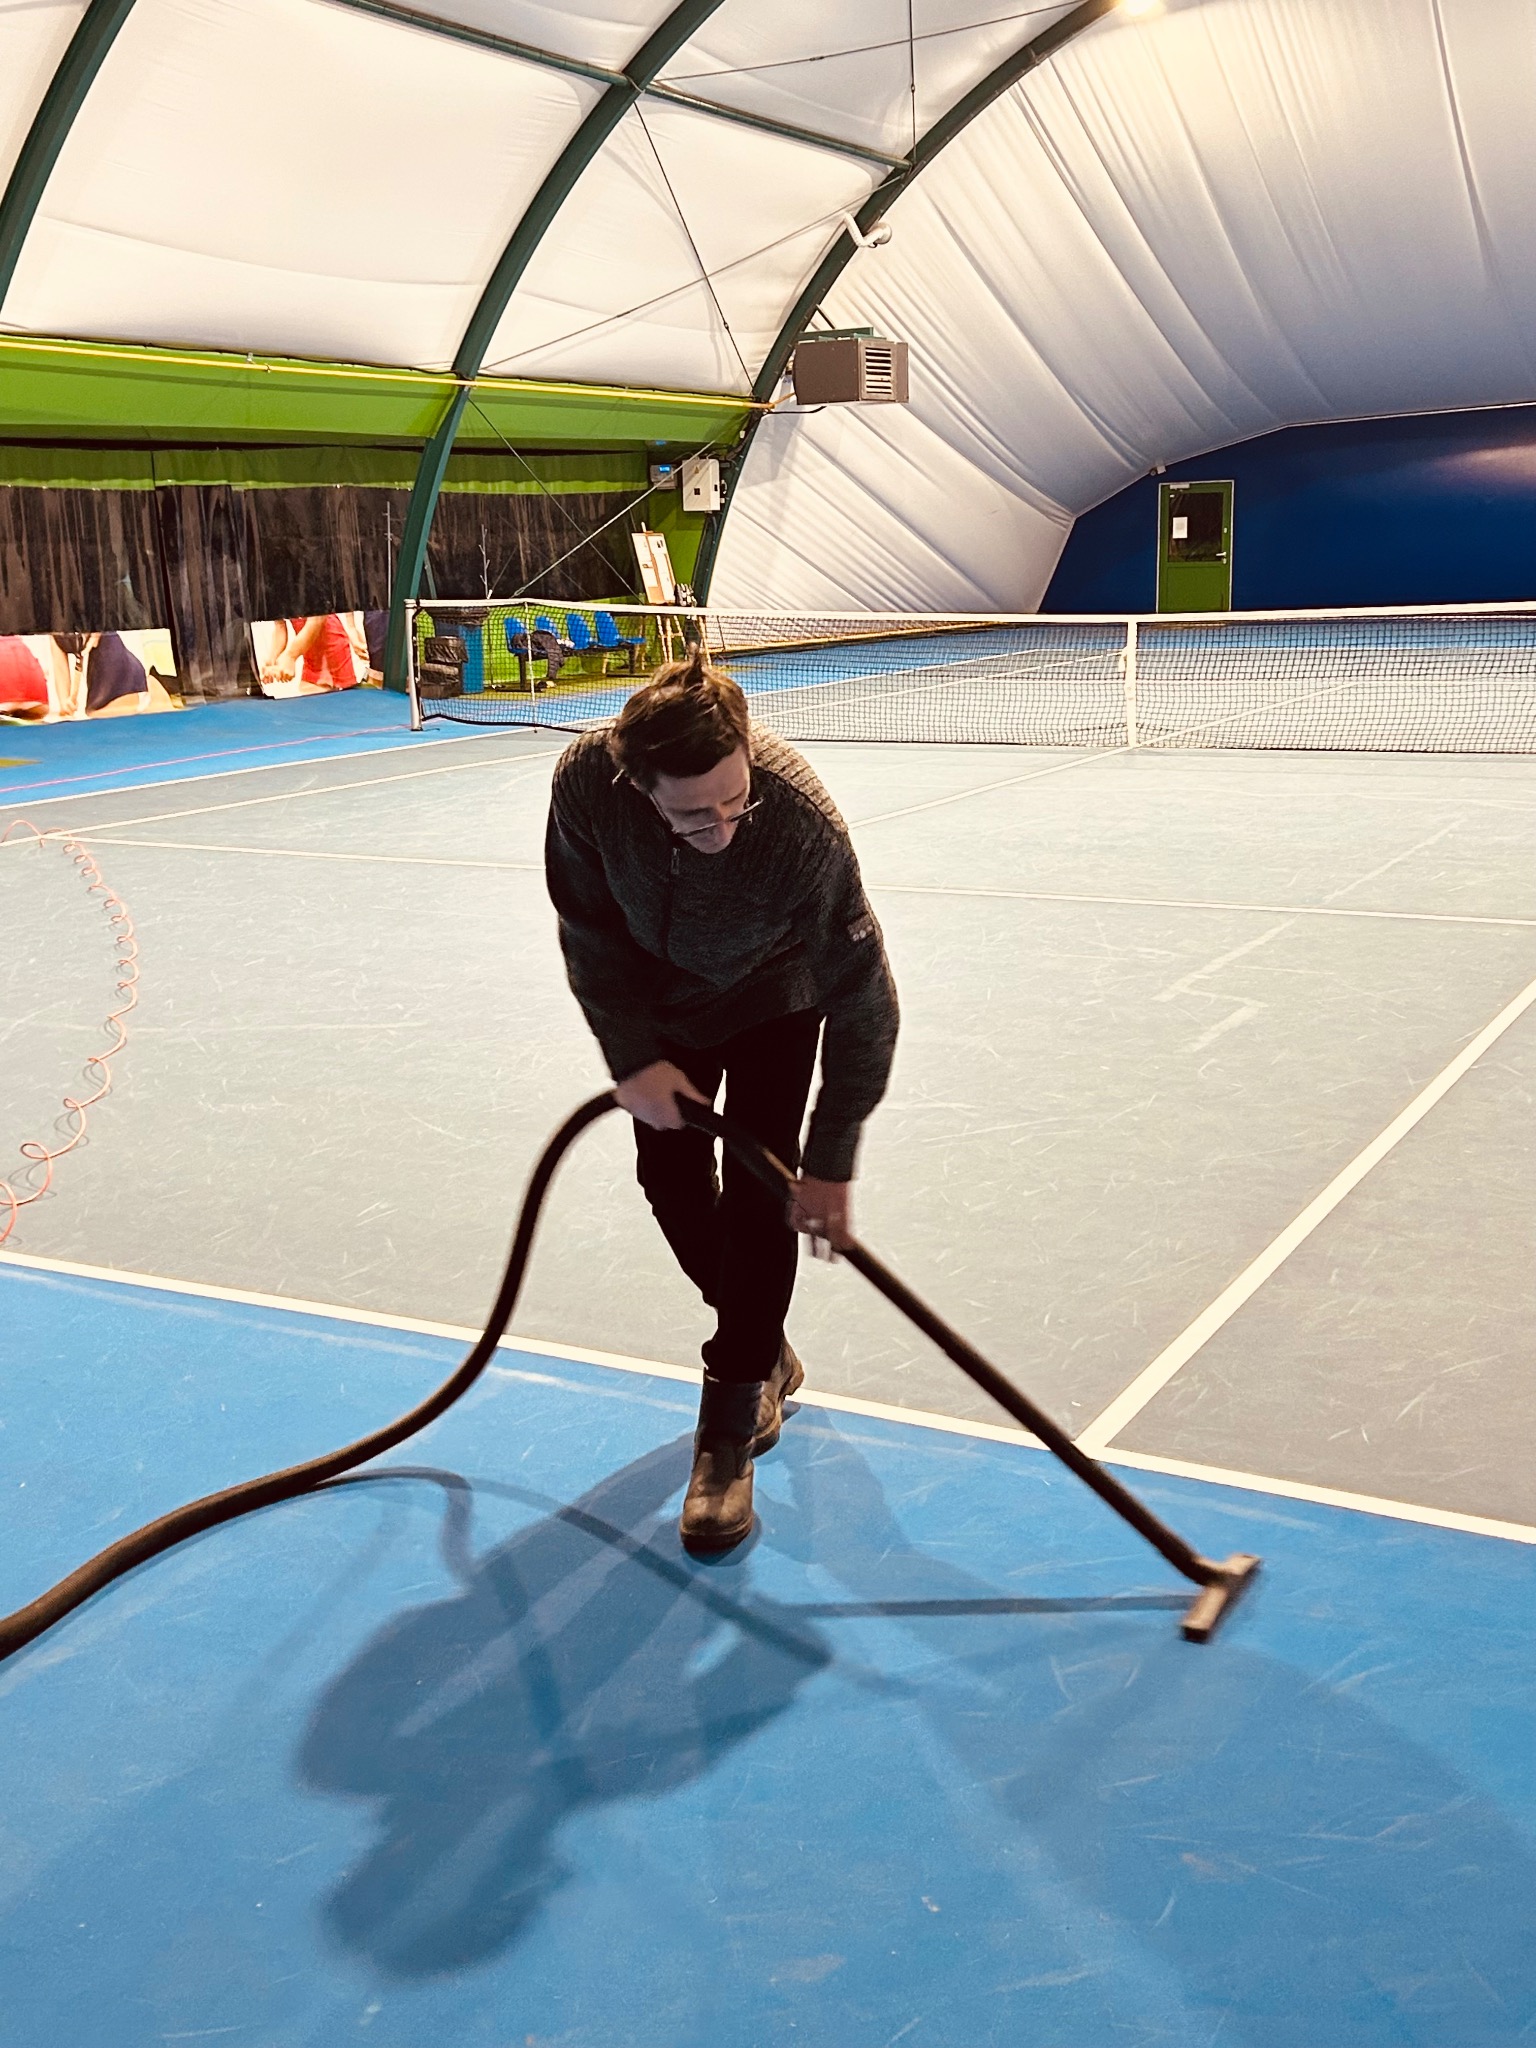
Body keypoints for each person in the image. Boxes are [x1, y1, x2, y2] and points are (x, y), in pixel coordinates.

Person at [545, 649, 899, 1554]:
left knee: (758, 1200)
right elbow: (586, 927)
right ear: (637, 784)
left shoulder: (798, 826)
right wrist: (630, 1054)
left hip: (778, 999)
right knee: (666, 1178)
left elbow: (865, 996)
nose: (725, 828)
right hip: (664, 1006)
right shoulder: (588, 785)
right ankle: (762, 1340)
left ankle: (730, 1414)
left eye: (735, 799)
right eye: (692, 813)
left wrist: (828, 1162)